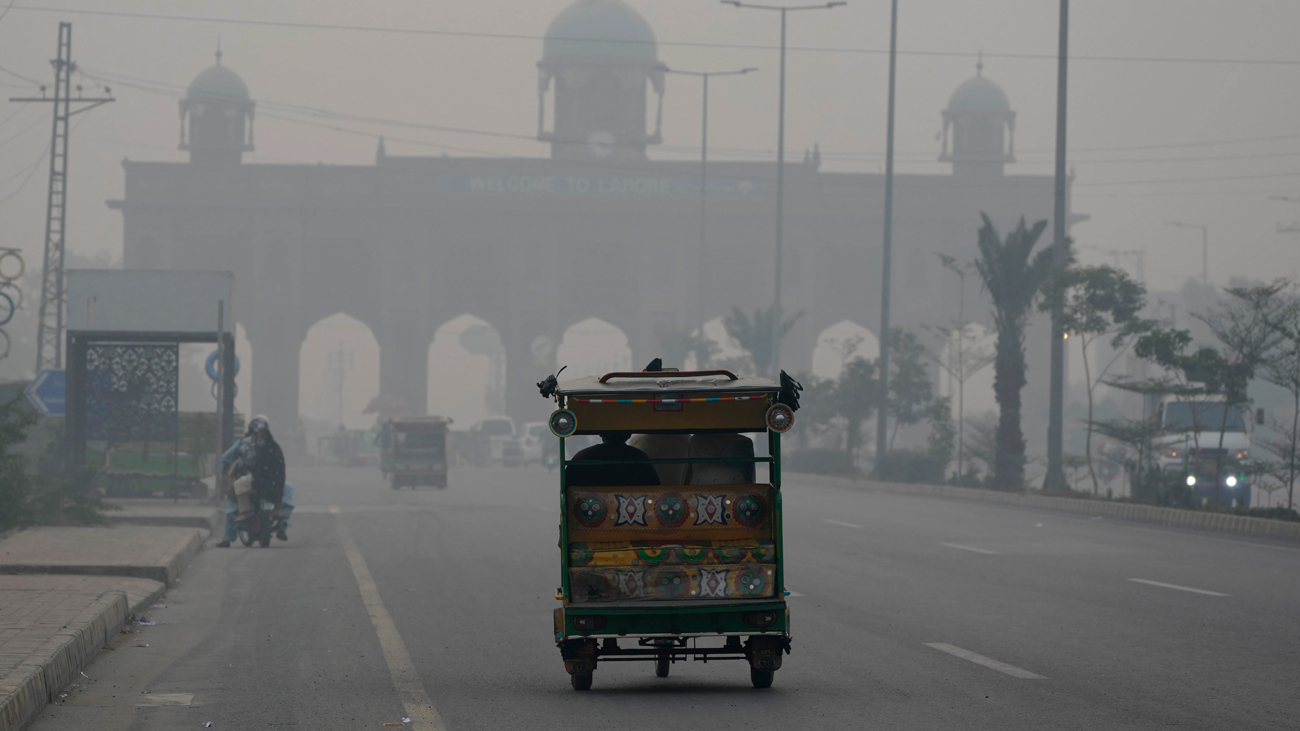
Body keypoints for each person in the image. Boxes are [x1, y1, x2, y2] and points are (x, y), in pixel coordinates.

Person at [216, 415, 288, 547]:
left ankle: (227, 539)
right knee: (288, 493)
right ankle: (283, 523)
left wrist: (226, 471)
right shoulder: (273, 444)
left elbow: (226, 458)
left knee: (232, 505)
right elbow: (281, 467)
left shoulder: (243, 442)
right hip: (272, 483)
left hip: (250, 481)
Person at [565, 432, 661, 487]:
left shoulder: (582, 457)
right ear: (629, 435)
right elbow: (654, 485)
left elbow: (567, 486)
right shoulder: (640, 457)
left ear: (600, 434)